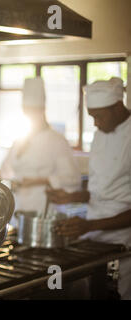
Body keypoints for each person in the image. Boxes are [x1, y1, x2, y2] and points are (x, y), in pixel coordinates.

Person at [47, 77, 131, 300]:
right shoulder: (99, 135)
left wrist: (89, 225)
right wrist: (71, 197)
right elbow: (101, 190)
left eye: (98, 116)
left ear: (117, 107)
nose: (95, 123)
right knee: (93, 293)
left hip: (125, 239)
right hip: (95, 234)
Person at [0, 77, 81, 222]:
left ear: (43, 111)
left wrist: (38, 181)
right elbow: (5, 173)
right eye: (26, 111)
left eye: (33, 111)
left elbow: (72, 179)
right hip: (18, 210)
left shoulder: (57, 140)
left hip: (45, 211)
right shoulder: (19, 140)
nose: (29, 115)